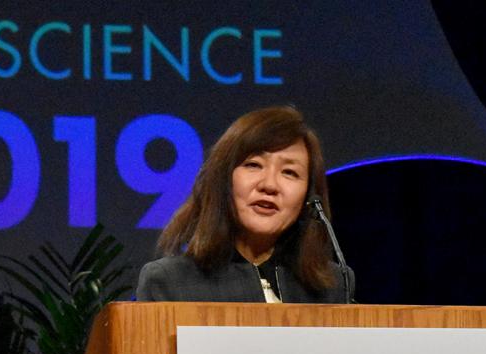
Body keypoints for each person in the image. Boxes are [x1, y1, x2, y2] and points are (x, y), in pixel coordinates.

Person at [135, 106, 353, 303]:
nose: (269, 185)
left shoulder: (332, 287)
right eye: (253, 165)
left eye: (289, 172)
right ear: (223, 180)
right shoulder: (169, 283)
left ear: (308, 196)